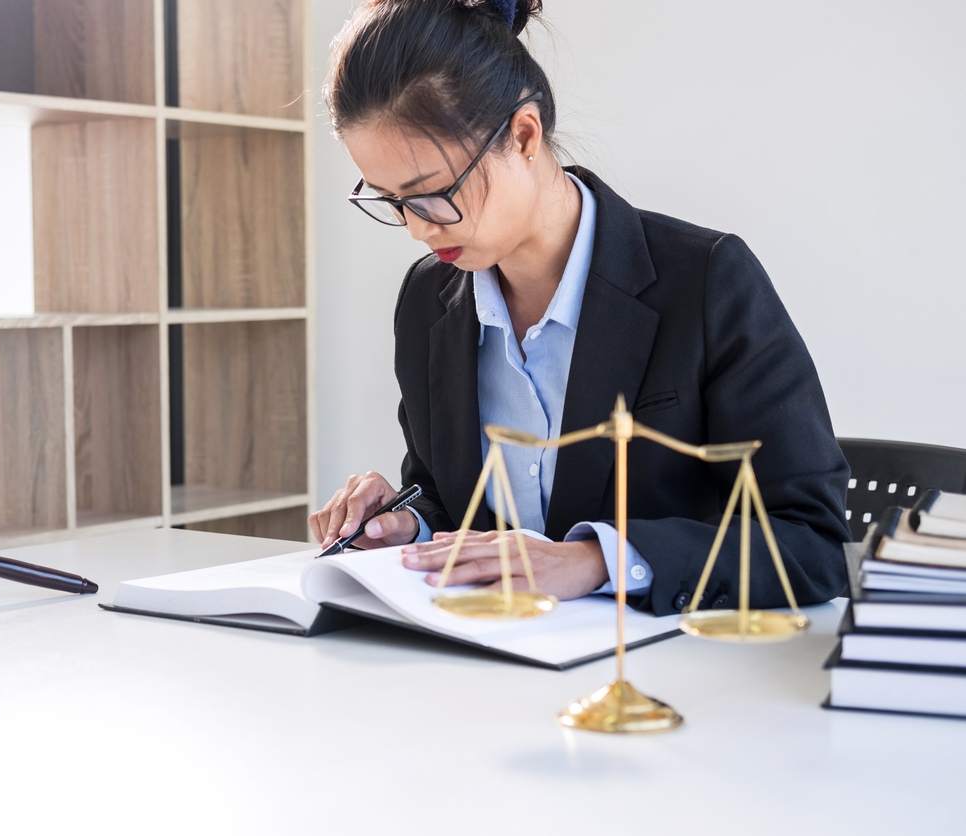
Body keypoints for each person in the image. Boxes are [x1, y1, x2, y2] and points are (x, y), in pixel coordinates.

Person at [307, 0, 850, 615]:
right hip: (478, 669)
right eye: (390, 200)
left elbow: (813, 541)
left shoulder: (705, 281)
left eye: (432, 194)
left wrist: (595, 562)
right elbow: (453, 500)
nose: (415, 228)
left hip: (668, 679)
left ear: (523, 134)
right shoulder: (428, 300)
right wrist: (406, 523)